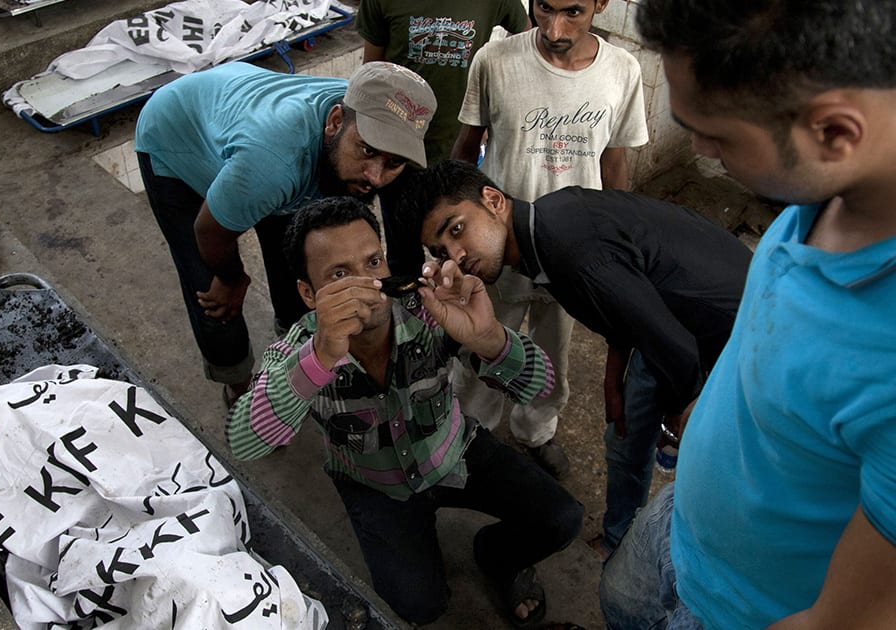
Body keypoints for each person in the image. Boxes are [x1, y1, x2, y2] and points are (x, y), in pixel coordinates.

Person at [597, 1, 896, 628]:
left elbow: (855, 614)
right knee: (620, 602)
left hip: (736, 611)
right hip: (680, 527)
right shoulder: (829, 192)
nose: (701, 147)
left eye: (719, 135)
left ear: (835, 132)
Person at [226, 197, 585, 627]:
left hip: (455, 451)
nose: (366, 285)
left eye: (372, 262)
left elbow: (541, 385)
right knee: (418, 605)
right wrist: (319, 358)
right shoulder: (296, 352)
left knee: (562, 518)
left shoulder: (429, 313)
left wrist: (489, 337)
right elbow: (244, 441)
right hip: (373, 485)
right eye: (340, 275)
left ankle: (497, 557)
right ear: (308, 294)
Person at [399, 159, 750, 555]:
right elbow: (621, 306)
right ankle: (620, 540)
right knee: (624, 439)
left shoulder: (567, 245)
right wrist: (612, 378)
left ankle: (674, 564)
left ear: (493, 200)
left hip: (732, 343)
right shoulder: (547, 225)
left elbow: (678, 351)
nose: (456, 255)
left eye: (457, 229)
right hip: (674, 325)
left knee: (705, 465)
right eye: (441, 249)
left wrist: (678, 413)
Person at [135, 61, 436, 406]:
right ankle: (238, 385)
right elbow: (209, 231)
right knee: (212, 292)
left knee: (299, 263)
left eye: (393, 163)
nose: (375, 177)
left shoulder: (367, 112)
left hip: (237, 111)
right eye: (367, 151)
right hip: (173, 133)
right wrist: (232, 278)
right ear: (335, 122)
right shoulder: (273, 163)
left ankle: (297, 357)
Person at [448, 0, 649, 479]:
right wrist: (451, 231)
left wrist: (618, 247)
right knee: (482, 344)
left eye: (574, 12)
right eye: (543, 8)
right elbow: (465, 148)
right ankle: (467, 433)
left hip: (575, 255)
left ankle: (536, 430)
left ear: (602, 4)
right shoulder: (494, 61)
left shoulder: (622, 71)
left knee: (553, 350)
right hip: (501, 249)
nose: (555, 28)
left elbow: (614, 164)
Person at [357, 0, 528, 279]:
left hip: (460, 151)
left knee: (465, 247)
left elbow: (526, 42)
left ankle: (461, 311)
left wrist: (489, 106)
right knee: (403, 251)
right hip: (397, 153)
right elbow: (371, 73)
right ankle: (411, 311)